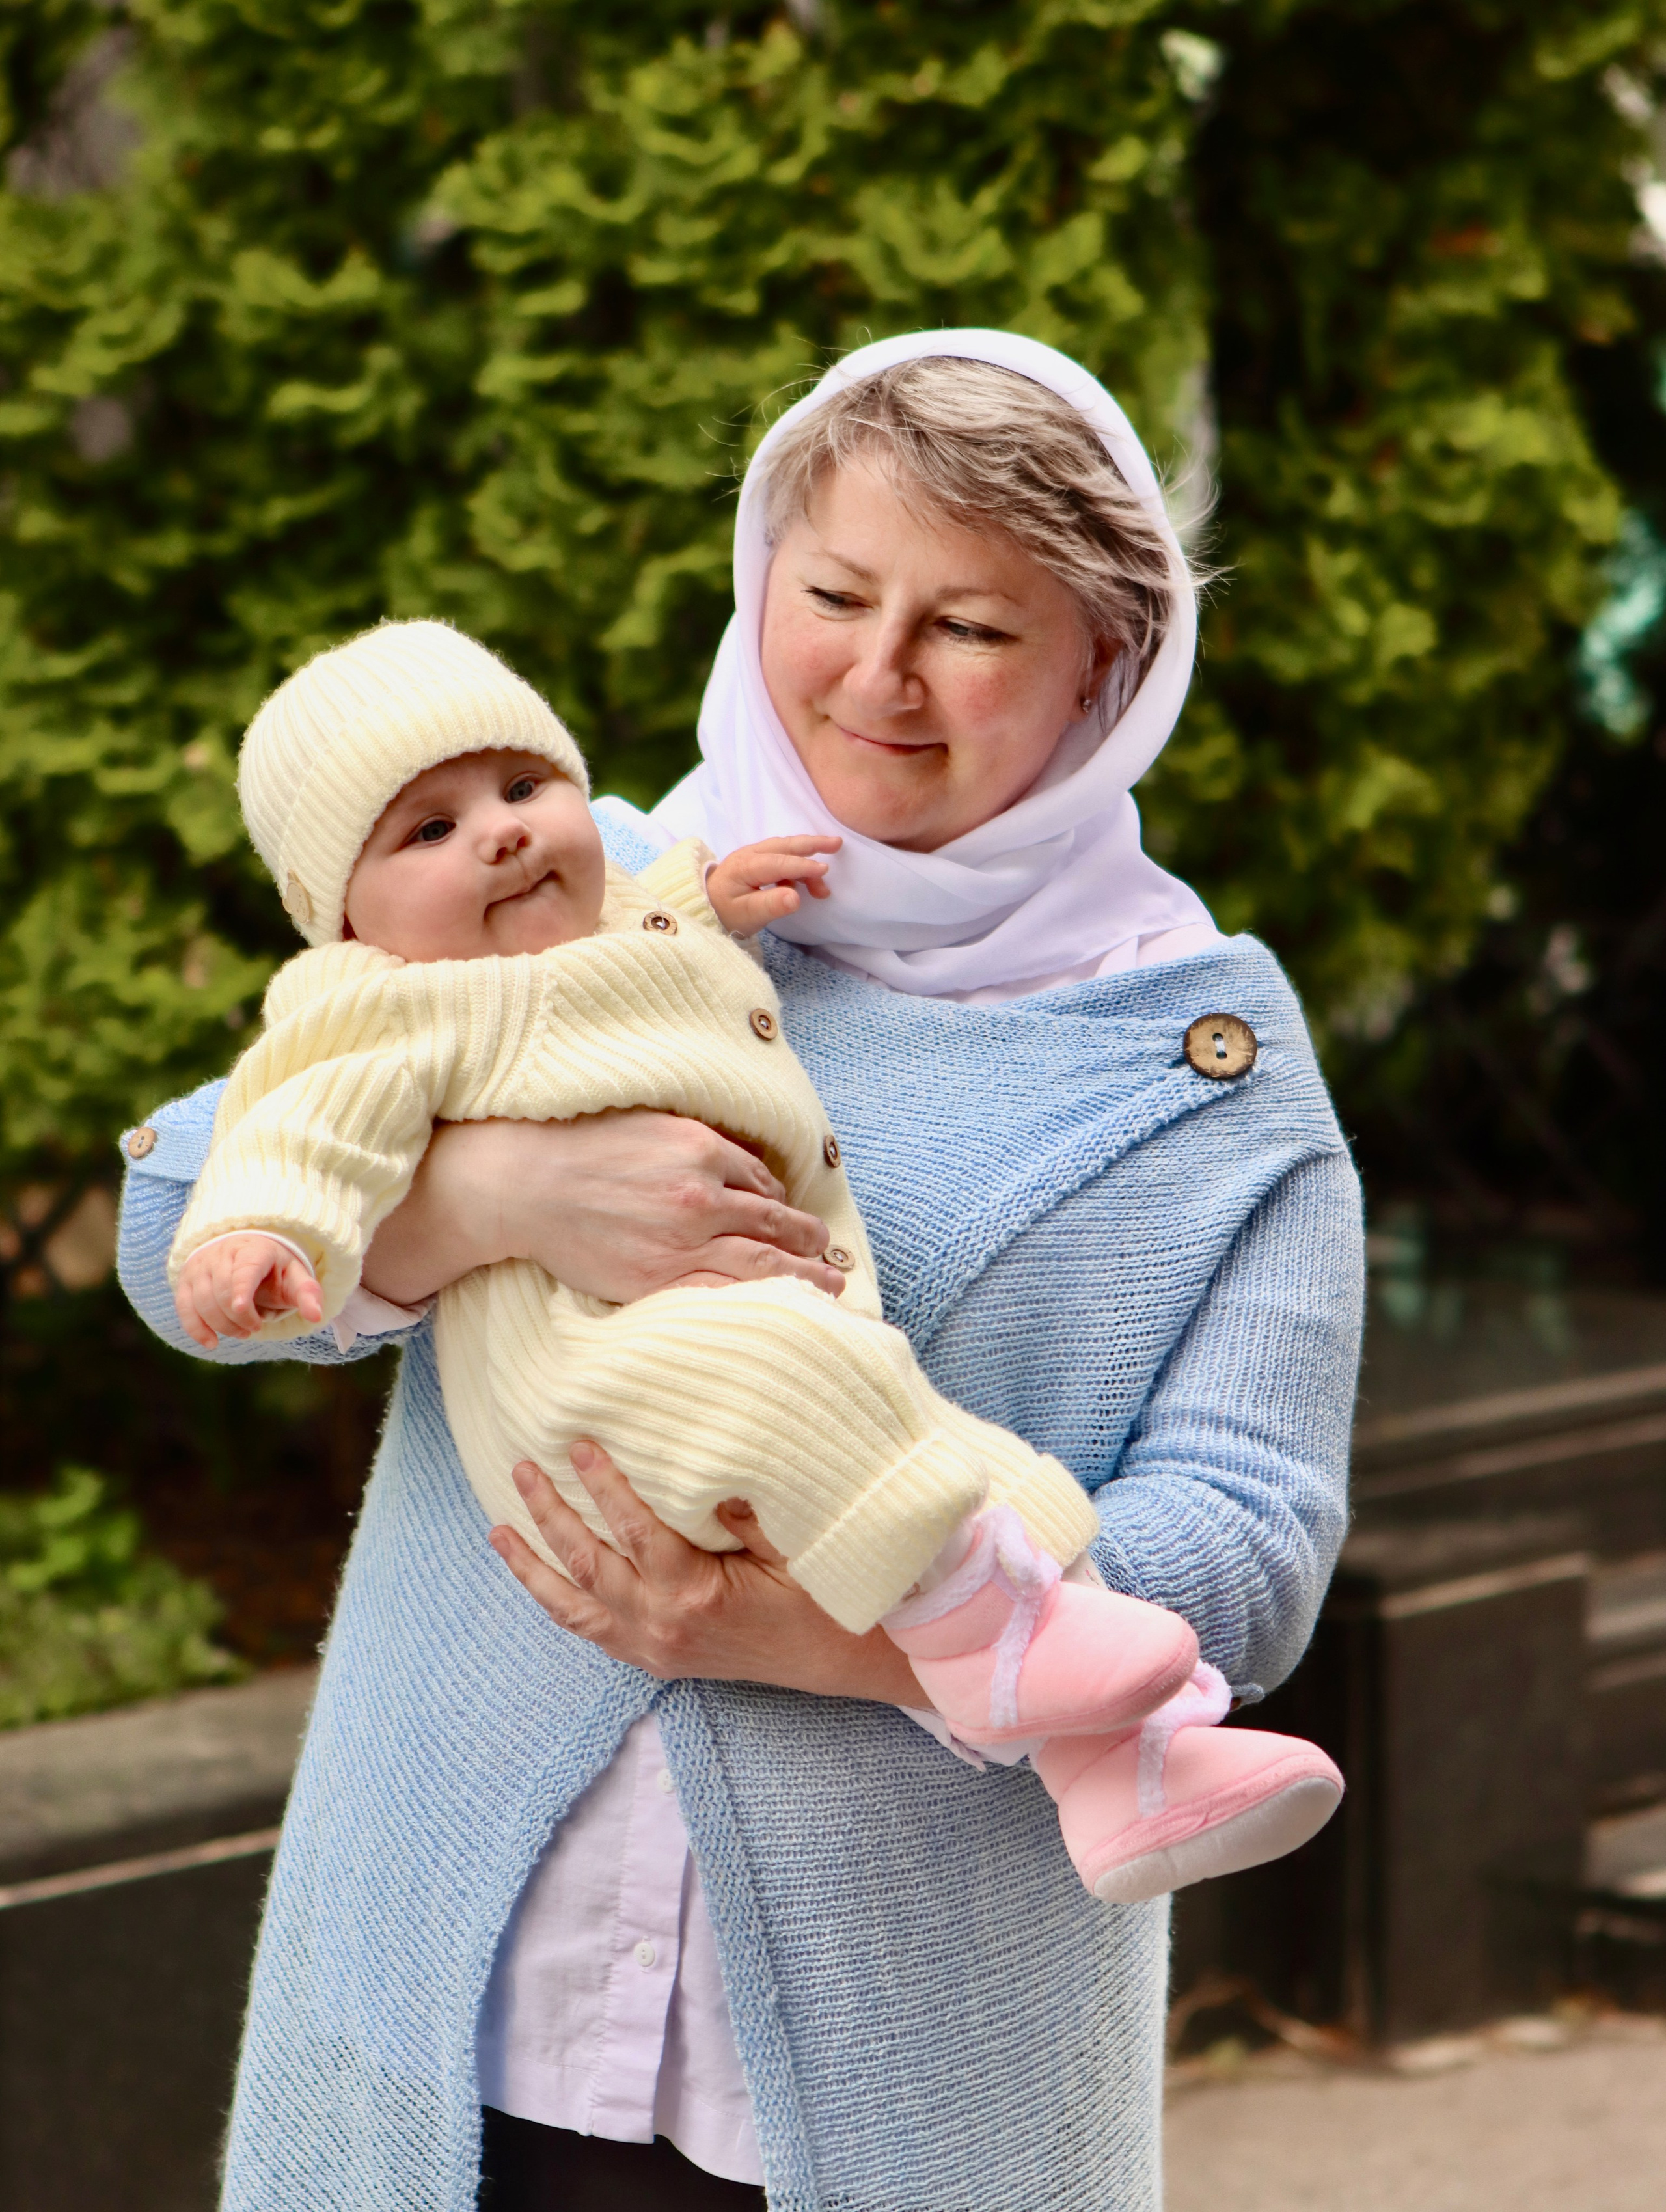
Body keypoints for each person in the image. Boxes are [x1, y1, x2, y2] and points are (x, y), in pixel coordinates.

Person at [116, 329, 1363, 2211]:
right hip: (462, 1994)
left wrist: (832, 1639)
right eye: (834, 593)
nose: (877, 676)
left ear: (1109, 665)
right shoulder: (582, 888)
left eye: (971, 627)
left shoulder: (1208, 1074)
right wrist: (507, 1195)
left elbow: (1252, 1546)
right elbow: (179, 1229)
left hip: (908, 2059)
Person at [167, 614, 1341, 1902]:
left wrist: (710, 902)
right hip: (595, 1382)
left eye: (523, 785)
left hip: (743, 1364)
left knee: (963, 1465)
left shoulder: (627, 898)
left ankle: (1127, 1767)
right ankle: (993, 1646)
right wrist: (291, 1229)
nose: (501, 832)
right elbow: (289, 1132)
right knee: (806, 1381)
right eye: (431, 829)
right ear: (341, 916)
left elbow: (645, 935)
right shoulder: (382, 1001)